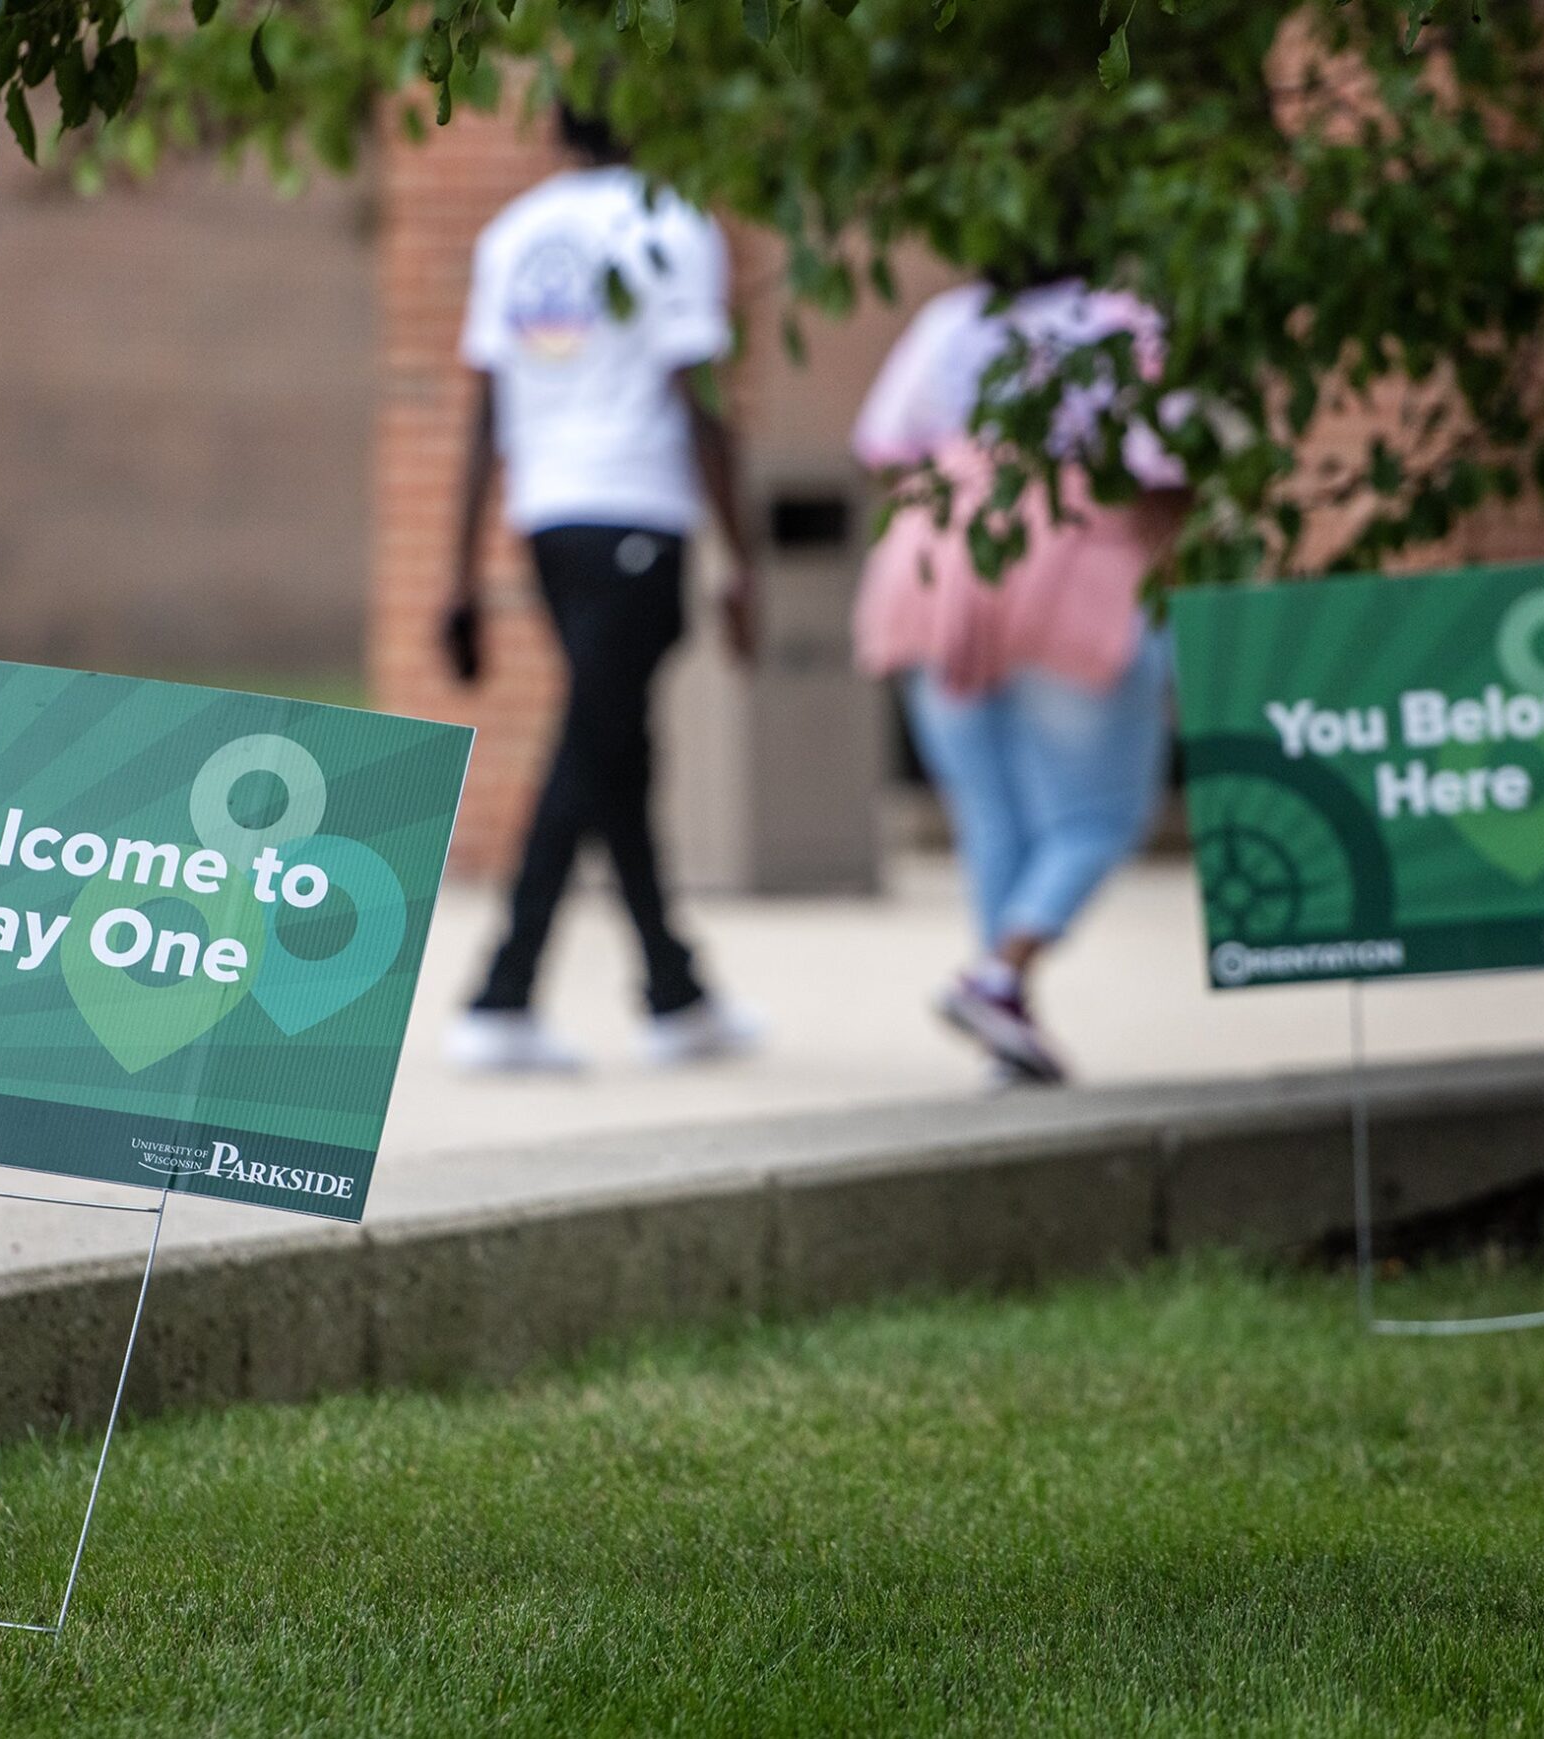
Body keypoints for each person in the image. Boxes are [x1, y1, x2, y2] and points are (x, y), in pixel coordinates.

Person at [440, 103, 765, 1074]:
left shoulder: (516, 232)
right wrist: (739, 553)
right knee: (593, 738)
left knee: (617, 746)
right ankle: (503, 992)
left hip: (549, 517)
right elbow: (698, 391)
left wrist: (458, 570)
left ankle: (676, 990)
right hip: (638, 509)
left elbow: (485, 405)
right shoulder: (672, 222)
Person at [850, 271, 1193, 1084]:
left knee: (991, 813)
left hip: (938, 572)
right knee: (1099, 816)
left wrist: (972, 498)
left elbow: (882, 448)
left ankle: (1004, 1013)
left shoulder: (951, 319)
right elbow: (1170, 469)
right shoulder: (1123, 320)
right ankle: (1000, 977)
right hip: (1076, 573)